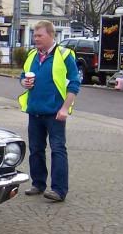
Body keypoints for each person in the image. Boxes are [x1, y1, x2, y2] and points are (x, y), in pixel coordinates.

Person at [18, 20, 80, 202]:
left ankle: (59, 190)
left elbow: (75, 83)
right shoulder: (32, 55)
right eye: (34, 35)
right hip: (35, 110)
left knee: (58, 149)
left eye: (39, 35)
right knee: (36, 149)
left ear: (51, 35)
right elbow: (23, 77)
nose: (35, 39)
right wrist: (24, 82)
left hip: (55, 112)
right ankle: (38, 183)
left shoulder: (64, 55)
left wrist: (65, 108)